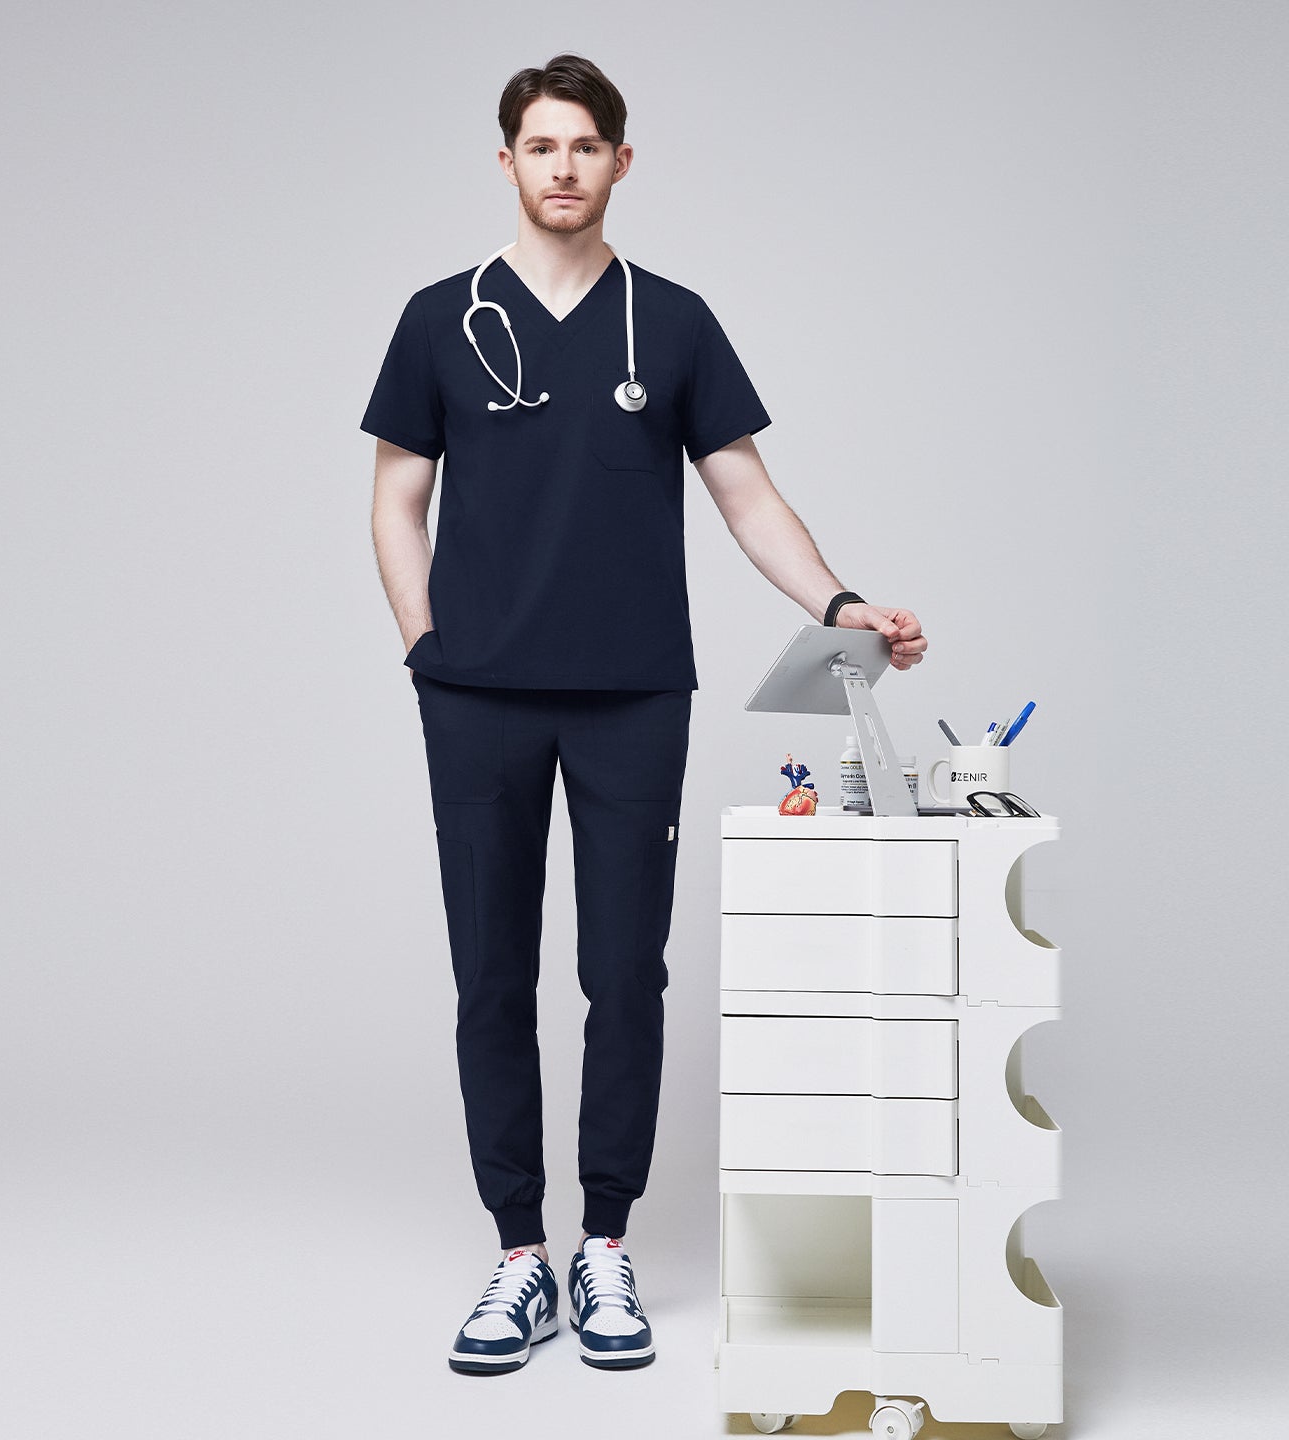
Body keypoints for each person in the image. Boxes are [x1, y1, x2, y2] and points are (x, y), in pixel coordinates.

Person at [362, 53, 927, 1377]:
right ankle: (518, 1252)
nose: (562, 168)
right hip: (479, 700)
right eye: (539, 146)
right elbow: (395, 499)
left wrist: (841, 601)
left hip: (631, 697)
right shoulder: (440, 319)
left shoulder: (668, 325)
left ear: (624, 162)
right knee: (492, 979)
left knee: (627, 977)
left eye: (585, 146)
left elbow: (744, 493)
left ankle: (604, 1242)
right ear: (505, 162)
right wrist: (428, 648)